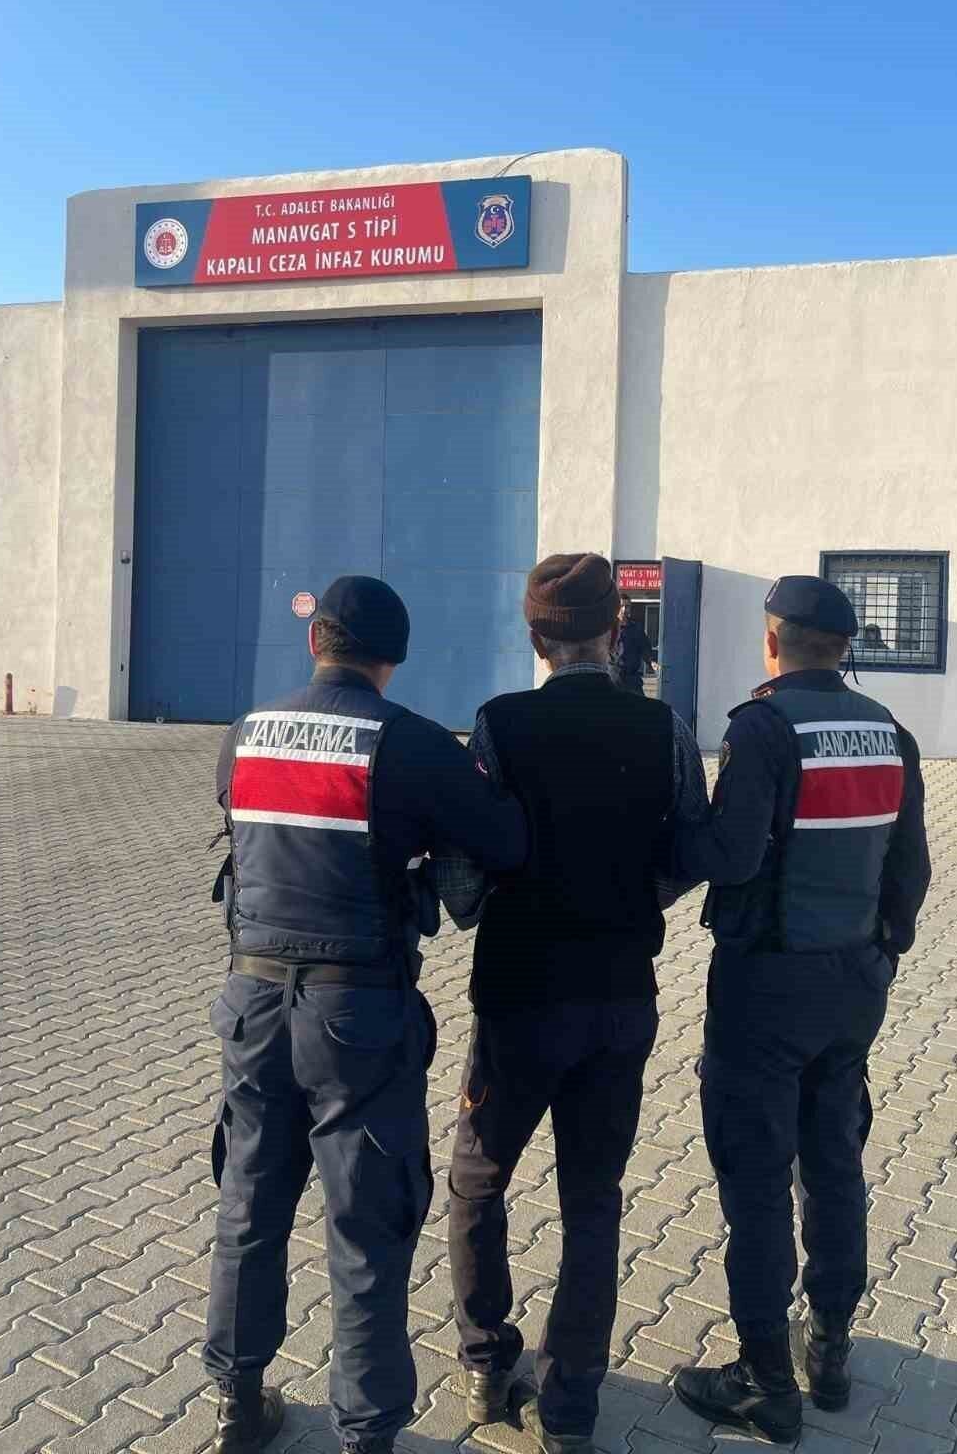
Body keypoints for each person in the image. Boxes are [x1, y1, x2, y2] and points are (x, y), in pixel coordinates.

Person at [203, 576, 527, 1454]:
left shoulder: (246, 732)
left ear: (317, 643)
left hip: (251, 1005)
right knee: (367, 1228)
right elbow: (504, 842)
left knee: (248, 1206)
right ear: (394, 659)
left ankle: (237, 1402)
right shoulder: (410, 742)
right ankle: (366, 1433)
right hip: (357, 1018)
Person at [435, 553, 711, 1454]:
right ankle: (571, 1409)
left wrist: (480, 903)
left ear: (534, 637)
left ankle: (486, 1361)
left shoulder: (500, 725)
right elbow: (689, 851)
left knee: (479, 1179)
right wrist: (633, 899)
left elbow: (463, 873)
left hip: (518, 1000)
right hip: (620, 997)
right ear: (616, 629)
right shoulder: (664, 727)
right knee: (593, 1200)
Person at [669, 576, 930, 1446]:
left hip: (768, 988)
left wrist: (677, 837)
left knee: (755, 1178)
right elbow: (910, 867)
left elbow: (734, 855)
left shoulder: (764, 727)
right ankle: (830, 1348)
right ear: (844, 648)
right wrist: (883, 952)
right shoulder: (889, 731)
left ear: (773, 640)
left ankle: (764, 1380)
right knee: (834, 1163)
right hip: (854, 984)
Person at [613, 600, 657, 695]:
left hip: (632, 679)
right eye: (621, 606)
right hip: (614, 679)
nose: (624, 609)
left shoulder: (636, 629)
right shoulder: (609, 628)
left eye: (627, 606)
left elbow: (645, 648)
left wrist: (651, 662)